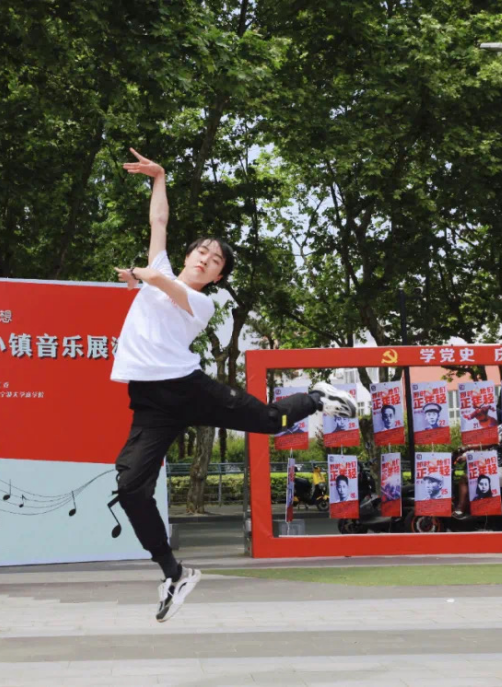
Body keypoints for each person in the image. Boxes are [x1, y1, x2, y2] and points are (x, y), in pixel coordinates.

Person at [110, 149, 355, 622]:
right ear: (188, 255)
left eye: (215, 260)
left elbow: (163, 283)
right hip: (150, 402)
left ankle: (316, 397)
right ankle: (173, 573)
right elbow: (158, 220)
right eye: (201, 251)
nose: (205, 259)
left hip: (187, 388)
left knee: (269, 420)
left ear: (218, 275)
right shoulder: (162, 269)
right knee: (130, 489)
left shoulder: (199, 302)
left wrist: (142, 275)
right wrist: (160, 177)